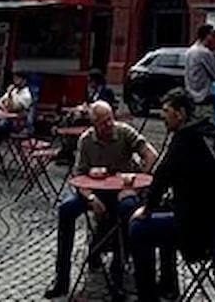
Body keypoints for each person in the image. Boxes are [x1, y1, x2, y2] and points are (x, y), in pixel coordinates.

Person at [130, 88, 215, 302]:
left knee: (138, 228)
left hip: (198, 231)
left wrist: (147, 209)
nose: (162, 115)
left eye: (166, 111)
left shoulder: (184, 139)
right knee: (164, 220)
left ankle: (147, 295)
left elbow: (162, 176)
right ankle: (168, 285)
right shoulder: (207, 135)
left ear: (180, 114)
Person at [44, 100, 159, 299]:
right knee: (66, 209)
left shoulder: (123, 132)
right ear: (94, 124)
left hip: (122, 191)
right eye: (103, 122)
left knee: (127, 208)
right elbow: (78, 177)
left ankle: (118, 275)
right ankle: (62, 279)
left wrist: (137, 181)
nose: (108, 125)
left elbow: (151, 154)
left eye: (110, 120)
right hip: (94, 192)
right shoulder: (86, 140)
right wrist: (90, 198)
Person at [183, 25, 215, 123]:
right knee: (208, 126)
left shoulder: (189, 52)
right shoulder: (205, 53)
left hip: (191, 95)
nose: (213, 38)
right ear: (206, 36)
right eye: (211, 35)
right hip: (205, 95)